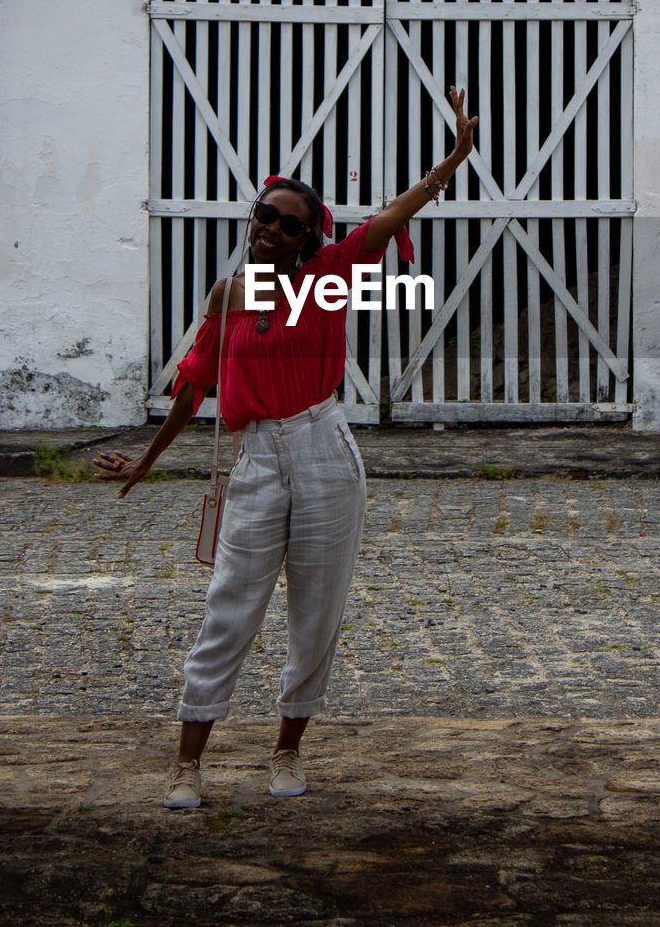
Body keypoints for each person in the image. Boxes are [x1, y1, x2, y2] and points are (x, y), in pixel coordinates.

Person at [95, 86, 478, 808]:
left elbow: (395, 212)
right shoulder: (227, 294)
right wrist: (149, 458)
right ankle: (187, 761)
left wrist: (454, 156)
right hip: (258, 458)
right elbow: (193, 384)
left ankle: (287, 749)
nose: (271, 227)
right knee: (228, 608)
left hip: (325, 452)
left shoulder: (333, 275)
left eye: (289, 223)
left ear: (309, 238)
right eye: (264, 214)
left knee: (316, 613)